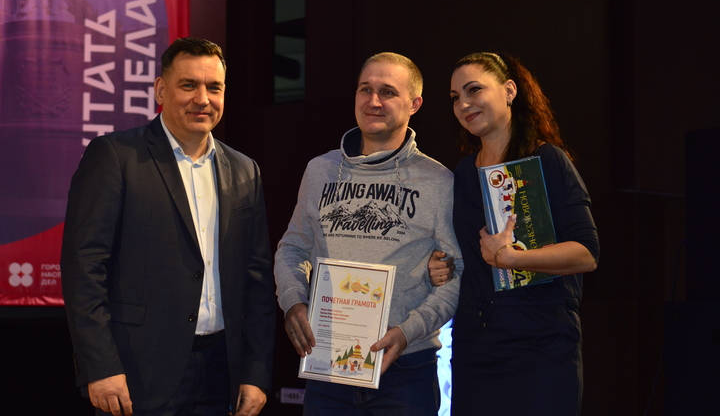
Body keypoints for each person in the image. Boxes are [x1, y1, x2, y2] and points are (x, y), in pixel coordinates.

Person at [61, 38, 275, 416]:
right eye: (188, 85)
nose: (203, 99)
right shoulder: (114, 156)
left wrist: (256, 372)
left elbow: (257, 279)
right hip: (136, 373)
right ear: (161, 90)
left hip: (222, 373)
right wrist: (101, 366)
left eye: (214, 87)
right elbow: (85, 269)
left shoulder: (246, 171)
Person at [274, 52, 463, 415]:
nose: (373, 101)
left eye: (387, 92)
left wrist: (408, 331)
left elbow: (457, 273)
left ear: (414, 104)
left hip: (407, 370)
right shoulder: (319, 171)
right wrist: (294, 300)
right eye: (365, 89)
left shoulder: (439, 181)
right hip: (328, 365)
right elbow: (292, 248)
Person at [448, 52, 599, 416]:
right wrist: (443, 264)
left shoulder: (547, 160)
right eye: (455, 97)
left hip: (541, 346)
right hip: (475, 347)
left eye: (474, 90)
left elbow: (586, 254)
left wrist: (513, 258)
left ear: (509, 91)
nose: (464, 103)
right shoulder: (462, 174)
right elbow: (464, 256)